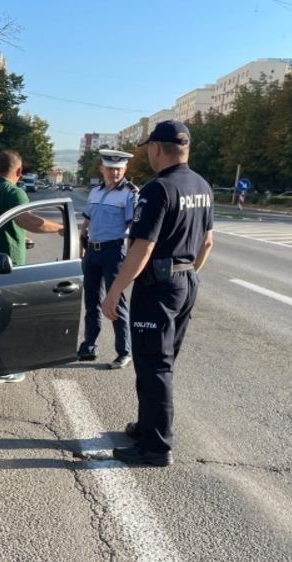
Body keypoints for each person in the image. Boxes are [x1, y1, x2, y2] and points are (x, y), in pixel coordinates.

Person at [97, 120, 214, 466]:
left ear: (159, 148)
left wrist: (114, 292)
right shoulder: (202, 186)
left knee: (155, 366)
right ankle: (146, 427)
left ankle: (156, 447)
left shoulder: (158, 189)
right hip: (186, 281)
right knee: (158, 363)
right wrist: (186, 277)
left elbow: (142, 248)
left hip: (159, 287)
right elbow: (207, 242)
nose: (148, 152)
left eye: (149, 146)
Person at [0, 150, 64, 383]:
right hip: (6, 267)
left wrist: (20, 238)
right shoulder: (14, 192)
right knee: (5, 318)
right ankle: (0, 369)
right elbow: (29, 221)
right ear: (19, 172)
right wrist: (61, 228)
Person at [77, 149, 138, 369]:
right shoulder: (95, 192)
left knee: (114, 303)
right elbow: (87, 221)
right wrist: (82, 244)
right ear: (102, 169)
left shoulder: (130, 194)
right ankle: (89, 347)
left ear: (125, 169)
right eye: (110, 168)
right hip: (93, 251)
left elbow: (133, 228)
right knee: (91, 302)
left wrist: (130, 257)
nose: (114, 173)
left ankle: (124, 352)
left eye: (118, 169)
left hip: (114, 253)